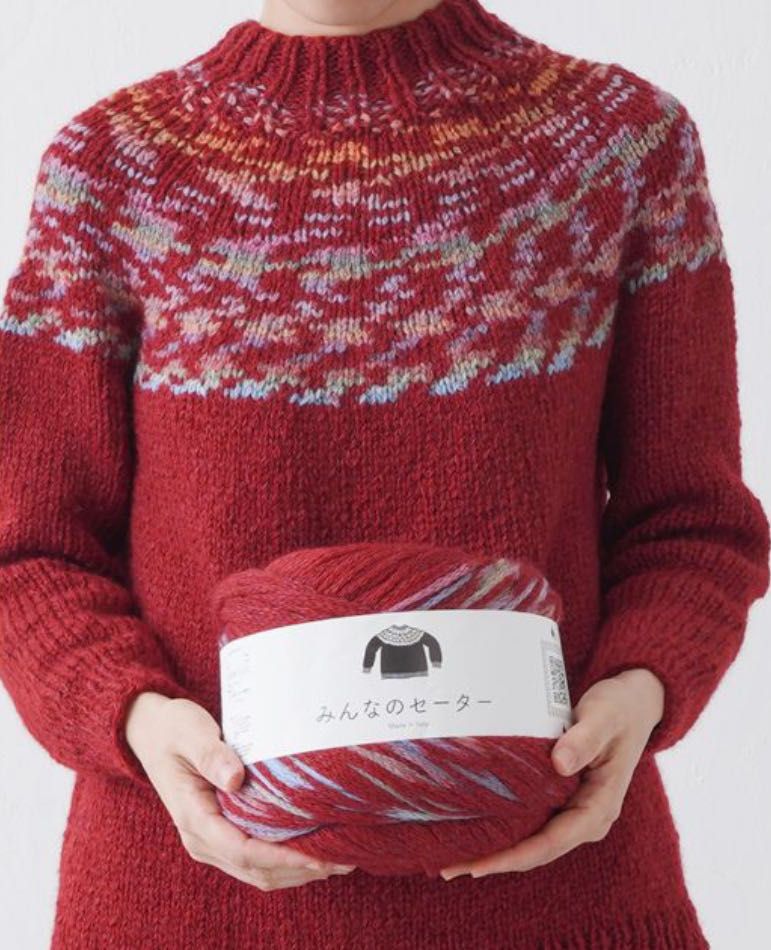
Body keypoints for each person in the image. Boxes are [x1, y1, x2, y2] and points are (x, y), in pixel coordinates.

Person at [0, 0, 768, 946]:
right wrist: (132, 718)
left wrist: (642, 685)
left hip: (559, 897)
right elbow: (29, 551)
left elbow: (691, 523)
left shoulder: (618, 146)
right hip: (182, 904)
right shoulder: (112, 166)